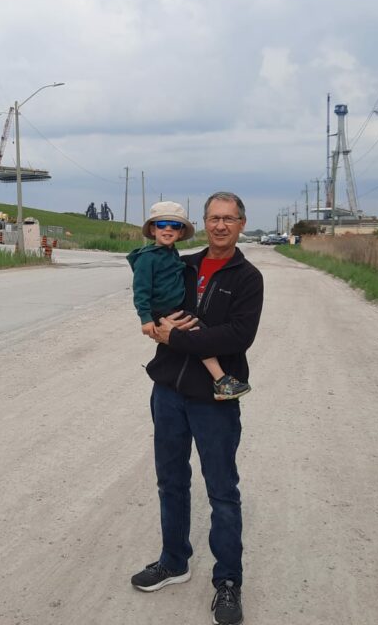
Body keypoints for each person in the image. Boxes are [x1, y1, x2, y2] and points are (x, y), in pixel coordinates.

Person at [130, 191, 263, 625]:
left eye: (229, 218)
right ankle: (174, 561)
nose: (221, 225)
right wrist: (152, 323)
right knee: (171, 481)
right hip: (168, 389)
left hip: (215, 400)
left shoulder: (247, 277)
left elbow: (236, 337)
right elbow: (152, 299)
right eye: (214, 218)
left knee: (222, 491)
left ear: (242, 223)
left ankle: (228, 582)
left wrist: (177, 337)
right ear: (203, 223)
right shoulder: (180, 264)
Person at [126, 200, 251, 400]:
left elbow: (241, 335)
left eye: (174, 225)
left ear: (181, 232)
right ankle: (221, 379)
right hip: (164, 316)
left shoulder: (177, 258)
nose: (168, 229)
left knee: (195, 329)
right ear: (152, 228)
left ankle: (220, 380)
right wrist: (147, 319)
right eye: (161, 224)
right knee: (196, 327)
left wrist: (173, 335)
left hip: (208, 402)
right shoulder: (151, 259)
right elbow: (141, 291)